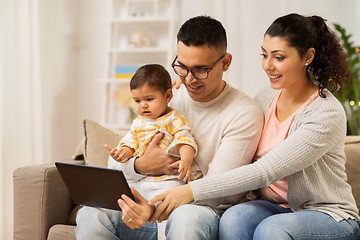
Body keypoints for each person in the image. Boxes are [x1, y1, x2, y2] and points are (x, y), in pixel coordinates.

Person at [149, 13, 360, 240]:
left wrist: (190, 191)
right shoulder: (265, 97)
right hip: (273, 207)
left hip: (326, 214)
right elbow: (228, 112)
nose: (268, 66)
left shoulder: (325, 112)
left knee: (272, 230)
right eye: (264, 54)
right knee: (234, 218)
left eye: (278, 57)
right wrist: (189, 83)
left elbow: (266, 170)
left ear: (307, 56)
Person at [76, 15, 263, 240]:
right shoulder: (165, 98)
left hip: (200, 211)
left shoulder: (243, 112)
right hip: (149, 202)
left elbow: (218, 190)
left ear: (225, 62)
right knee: (90, 214)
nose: (189, 79)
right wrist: (140, 166)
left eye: (200, 69)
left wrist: (154, 208)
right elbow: (115, 165)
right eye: (182, 67)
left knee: (185, 218)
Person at [105, 64, 201, 183]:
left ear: (167, 96)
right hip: (145, 178)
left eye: (149, 99)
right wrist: (122, 153)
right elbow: (131, 143)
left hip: (169, 179)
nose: (143, 105)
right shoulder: (138, 122)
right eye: (137, 101)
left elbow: (185, 141)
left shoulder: (173, 119)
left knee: (167, 193)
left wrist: (186, 160)